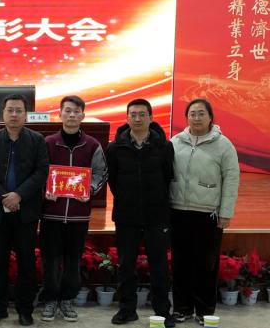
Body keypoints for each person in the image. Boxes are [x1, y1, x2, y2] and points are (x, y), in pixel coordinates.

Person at [0, 93, 48, 326]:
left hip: (26, 212)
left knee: (26, 263)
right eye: (10, 110)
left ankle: (25, 309)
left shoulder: (37, 140)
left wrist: (19, 195)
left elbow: (41, 171)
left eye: (19, 110)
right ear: (3, 113)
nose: (14, 115)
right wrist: (3, 197)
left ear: (26, 114)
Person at [169, 99, 239, 326]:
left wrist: (226, 212)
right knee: (180, 264)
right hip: (178, 211)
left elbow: (231, 180)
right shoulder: (175, 142)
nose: (196, 118)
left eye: (201, 113)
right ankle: (182, 309)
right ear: (186, 117)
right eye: (192, 113)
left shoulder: (223, 145)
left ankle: (205, 311)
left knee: (206, 265)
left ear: (210, 117)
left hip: (208, 214)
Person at [107, 98, 175, 327]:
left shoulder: (164, 146)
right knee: (126, 265)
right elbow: (113, 181)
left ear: (151, 117)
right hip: (126, 216)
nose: (137, 119)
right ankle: (127, 310)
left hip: (157, 216)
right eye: (133, 115)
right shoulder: (115, 148)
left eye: (142, 114)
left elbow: (168, 177)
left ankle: (163, 312)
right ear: (127, 118)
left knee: (159, 267)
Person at [39, 96, 108, 323]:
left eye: (76, 111)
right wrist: (45, 189)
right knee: (50, 260)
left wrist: (90, 188)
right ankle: (50, 300)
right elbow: (39, 172)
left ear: (83, 115)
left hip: (79, 215)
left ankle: (67, 300)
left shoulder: (92, 145)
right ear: (60, 114)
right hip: (51, 213)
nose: (71, 115)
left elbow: (100, 173)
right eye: (67, 111)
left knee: (72, 260)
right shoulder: (48, 143)